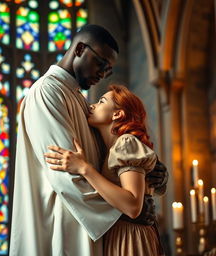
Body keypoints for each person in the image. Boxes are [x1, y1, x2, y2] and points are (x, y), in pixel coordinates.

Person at [9, 24, 167, 256]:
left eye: (108, 71)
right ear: (81, 49)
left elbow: (110, 159)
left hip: (98, 230)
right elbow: (65, 175)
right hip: (66, 226)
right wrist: (127, 208)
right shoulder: (46, 92)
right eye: (101, 64)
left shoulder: (81, 102)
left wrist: (153, 172)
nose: (102, 74)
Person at [45, 85, 165, 256]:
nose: (92, 105)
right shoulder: (112, 149)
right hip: (119, 235)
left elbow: (133, 206)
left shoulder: (126, 142)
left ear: (117, 114)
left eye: (101, 101)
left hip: (130, 237)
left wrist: (84, 168)